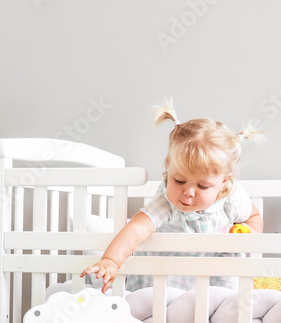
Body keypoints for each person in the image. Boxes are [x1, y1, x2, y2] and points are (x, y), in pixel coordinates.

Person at [82, 100, 263, 292]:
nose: (188, 192)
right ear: (169, 170)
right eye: (178, 180)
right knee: (155, 304)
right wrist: (111, 261)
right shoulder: (167, 203)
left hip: (215, 285)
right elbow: (136, 230)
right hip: (163, 286)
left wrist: (248, 233)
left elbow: (253, 217)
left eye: (202, 186)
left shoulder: (232, 198)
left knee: (230, 300)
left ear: (224, 183)